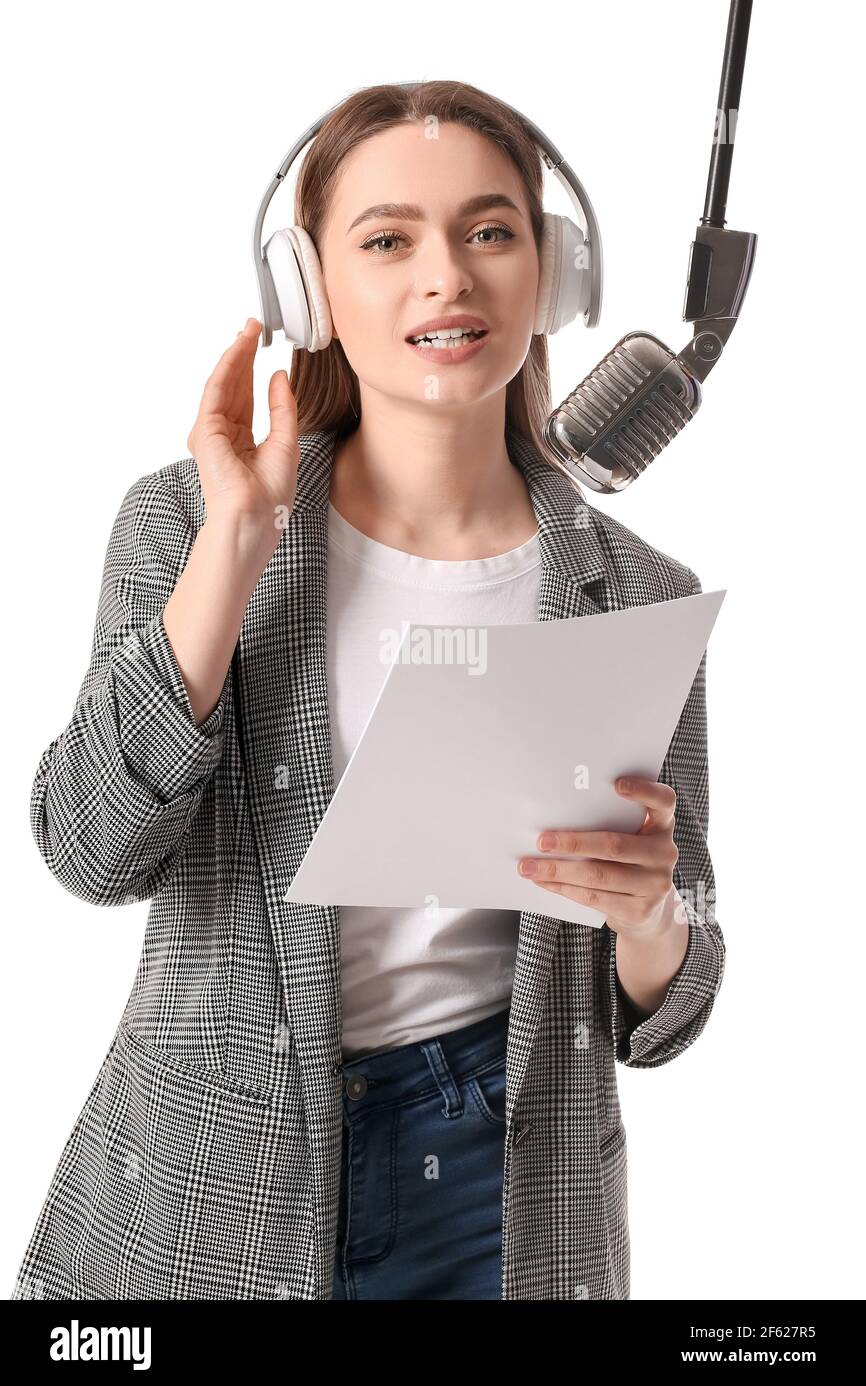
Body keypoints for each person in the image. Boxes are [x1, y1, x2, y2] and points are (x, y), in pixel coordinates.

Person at [11, 80, 724, 1303]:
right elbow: (87, 851)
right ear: (308, 292)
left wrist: (650, 919)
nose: (444, 276)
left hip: (505, 1178)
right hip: (210, 1177)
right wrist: (233, 552)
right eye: (387, 240)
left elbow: (671, 991)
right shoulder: (182, 522)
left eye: (489, 232)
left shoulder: (635, 589)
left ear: (552, 277)